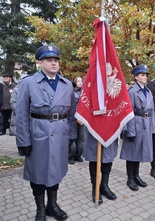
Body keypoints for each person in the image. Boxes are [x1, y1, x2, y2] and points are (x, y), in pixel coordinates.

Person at [16, 45, 77, 221]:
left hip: (60, 136)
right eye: (49, 60)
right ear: (41, 62)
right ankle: (40, 208)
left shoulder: (66, 85)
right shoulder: (28, 83)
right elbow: (21, 114)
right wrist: (23, 141)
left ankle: (52, 205)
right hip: (37, 136)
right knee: (38, 172)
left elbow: (71, 114)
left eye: (56, 60)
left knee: (55, 172)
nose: (54, 63)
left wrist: (72, 136)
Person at [120, 64, 155, 191]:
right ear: (136, 77)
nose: (145, 77)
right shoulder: (132, 92)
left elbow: (152, 110)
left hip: (146, 123)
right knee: (132, 152)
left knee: (140, 151)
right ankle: (130, 178)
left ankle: (136, 175)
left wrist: (152, 127)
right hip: (135, 123)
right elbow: (127, 112)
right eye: (142, 75)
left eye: (146, 75)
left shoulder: (149, 91)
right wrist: (129, 130)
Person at [84, 130, 118, 204]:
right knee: (94, 158)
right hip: (94, 128)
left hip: (110, 128)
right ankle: (95, 188)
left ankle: (104, 186)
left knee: (108, 157)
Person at [9, 71, 34, 156]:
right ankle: (20, 148)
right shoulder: (17, 89)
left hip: (31, 116)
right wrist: (22, 111)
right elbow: (13, 102)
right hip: (19, 116)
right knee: (19, 132)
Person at [68, 76, 84, 164]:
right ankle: (71, 156)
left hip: (81, 118)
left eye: (81, 81)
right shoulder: (70, 92)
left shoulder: (84, 93)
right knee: (72, 137)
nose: (80, 82)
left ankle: (79, 155)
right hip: (72, 117)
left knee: (81, 137)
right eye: (78, 81)